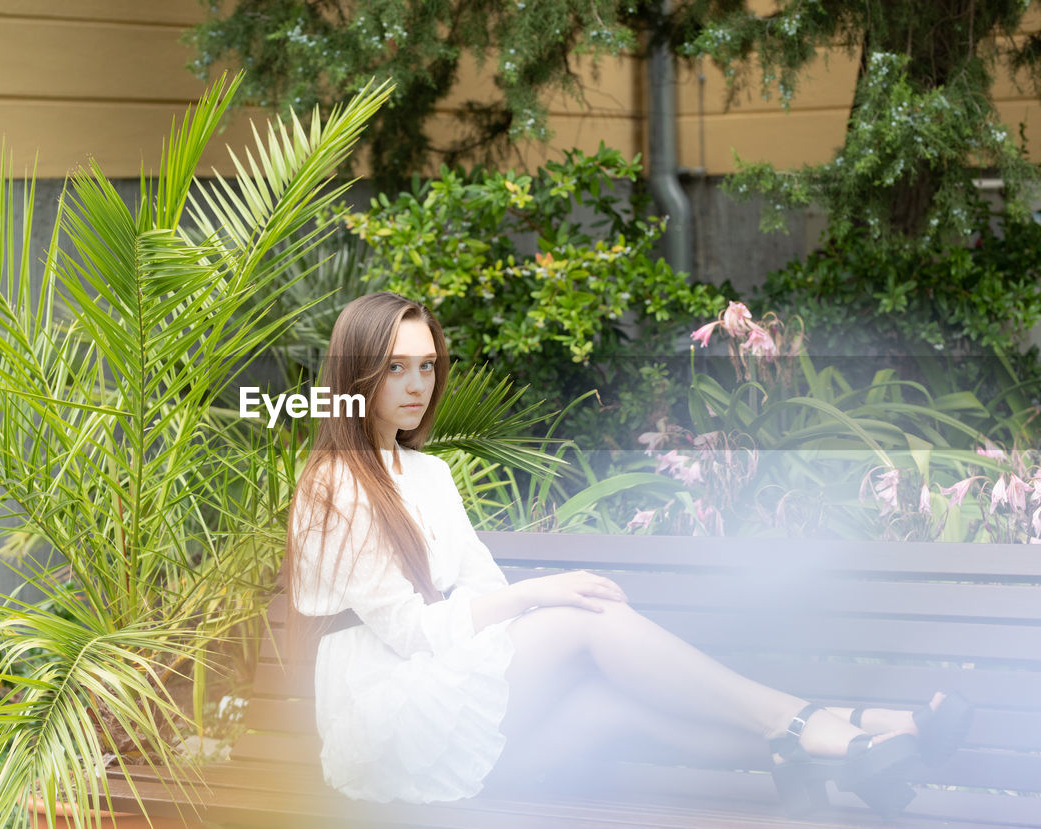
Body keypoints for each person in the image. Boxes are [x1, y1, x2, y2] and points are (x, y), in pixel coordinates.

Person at [284, 291, 972, 817]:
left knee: (609, 707)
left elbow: (479, 585)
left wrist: (519, 601)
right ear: (356, 375)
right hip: (382, 723)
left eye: (427, 365)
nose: (417, 384)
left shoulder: (428, 474)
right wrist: (537, 595)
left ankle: (855, 748)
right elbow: (412, 630)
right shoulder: (334, 481)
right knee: (583, 614)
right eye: (396, 367)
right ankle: (830, 723)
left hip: (449, 708)